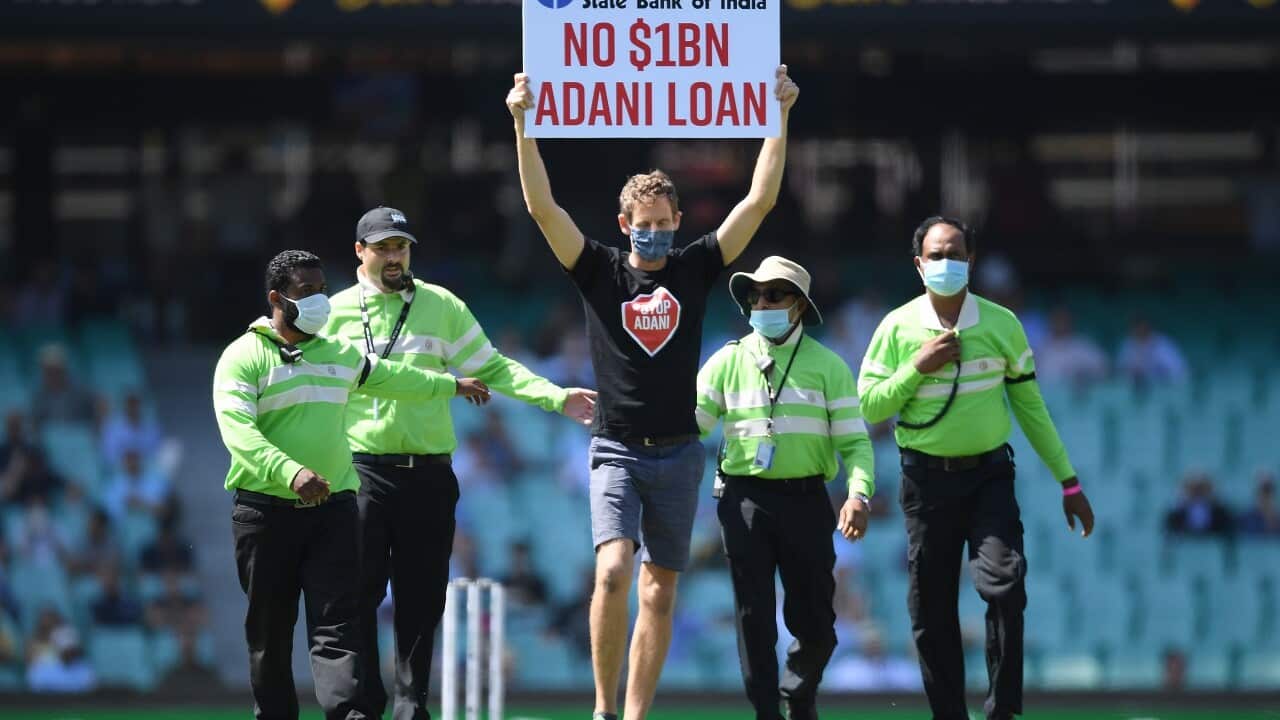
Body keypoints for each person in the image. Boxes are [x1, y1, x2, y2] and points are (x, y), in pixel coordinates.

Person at [506, 64, 800, 720]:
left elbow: (758, 202)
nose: (657, 233)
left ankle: (635, 714)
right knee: (613, 571)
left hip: (680, 454)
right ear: (625, 220)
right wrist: (523, 122)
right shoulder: (599, 270)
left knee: (660, 592)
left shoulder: (695, 267)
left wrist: (778, 113)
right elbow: (541, 208)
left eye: (667, 222)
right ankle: (604, 709)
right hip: (615, 448)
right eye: (646, 222)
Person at [323, 206, 596, 720]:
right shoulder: (333, 312)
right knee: (356, 595)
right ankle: (361, 707)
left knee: (422, 599)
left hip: (427, 473)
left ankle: (411, 707)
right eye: (382, 247)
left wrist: (556, 398)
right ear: (360, 252)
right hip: (360, 472)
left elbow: (492, 367)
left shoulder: (441, 306)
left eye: (400, 247)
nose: (393, 257)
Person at [211, 249, 491, 720]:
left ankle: (350, 716)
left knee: (338, 627)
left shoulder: (339, 354)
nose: (321, 300)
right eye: (307, 293)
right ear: (277, 298)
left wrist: (451, 385)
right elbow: (240, 433)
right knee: (270, 635)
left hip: (332, 510)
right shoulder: (244, 358)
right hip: (265, 514)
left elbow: (392, 377)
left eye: (323, 290)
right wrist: (291, 473)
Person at [857, 217, 1095, 720]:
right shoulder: (896, 327)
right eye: (936, 255)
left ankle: (1002, 711)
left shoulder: (1002, 324)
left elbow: (1031, 408)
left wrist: (1068, 481)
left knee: (1006, 586)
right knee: (931, 611)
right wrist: (918, 366)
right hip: (924, 481)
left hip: (989, 478)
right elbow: (872, 406)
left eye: (956, 254)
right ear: (920, 265)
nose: (947, 264)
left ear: (971, 261)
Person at [694, 256, 873, 720]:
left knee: (817, 623)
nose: (761, 302)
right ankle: (767, 715)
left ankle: (797, 692)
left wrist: (858, 494)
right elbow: (690, 425)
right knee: (752, 618)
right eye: (755, 294)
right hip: (744, 498)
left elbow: (854, 442)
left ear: (798, 306)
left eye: (774, 294)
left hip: (808, 499)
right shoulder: (727, 360)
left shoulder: (828, 366)